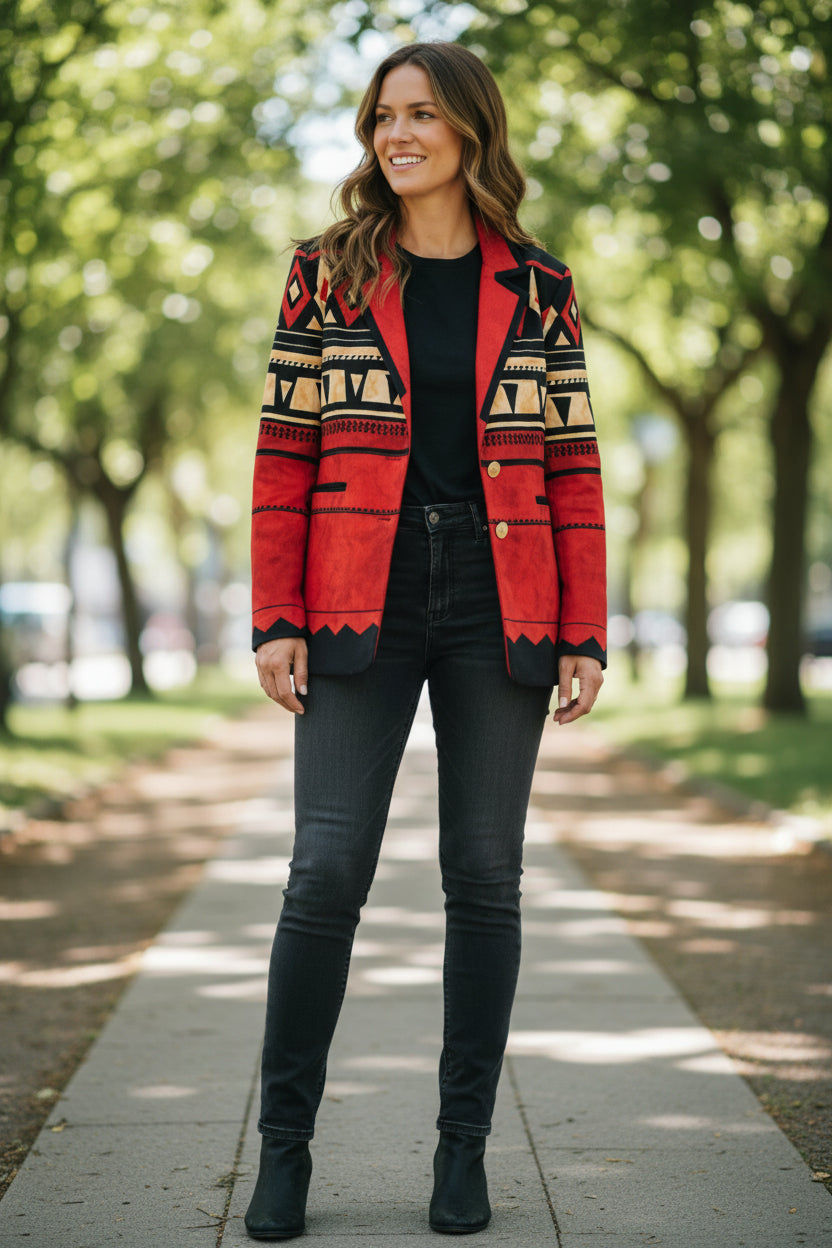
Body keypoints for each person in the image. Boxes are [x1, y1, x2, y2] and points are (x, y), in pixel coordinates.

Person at [246, 40, 606, 1241]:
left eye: (419, 115)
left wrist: (583, 629)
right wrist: (276, 616)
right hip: (361, 594)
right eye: (381, 116)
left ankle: (463, 1154)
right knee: (324, 872)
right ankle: (283, 1154)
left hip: (504, 599)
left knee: (485, 878)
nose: (394, 135)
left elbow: (572, 465)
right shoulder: (326, 274)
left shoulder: (539, 286)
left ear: (469, 131)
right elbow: (284, 455)